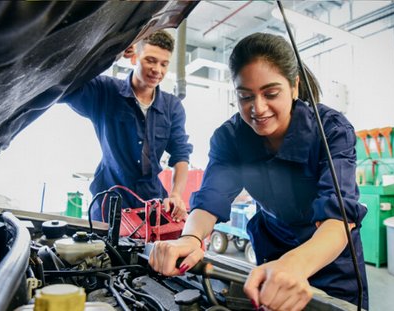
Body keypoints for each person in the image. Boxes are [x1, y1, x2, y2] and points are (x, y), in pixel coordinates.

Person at [149, 32, 368, 310]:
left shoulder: (332, 131)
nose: (258, 108)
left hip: (330, 259)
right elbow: (211, 198)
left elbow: (339, 219)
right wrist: (190, 238)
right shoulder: (230, 138)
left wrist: (294, 265)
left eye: (271, 93)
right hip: (273, 249)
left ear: (295, 87)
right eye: (245, 96)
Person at [63, 30, 193, 222]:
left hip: (151, 205)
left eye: (164, 64)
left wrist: (175, 194)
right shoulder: (105, 92)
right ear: (134, 58)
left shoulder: (172, 107)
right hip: (109, 204)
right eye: (150, 60)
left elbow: (181, 154)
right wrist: (112, 53)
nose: (158, 70)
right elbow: (67, 84)